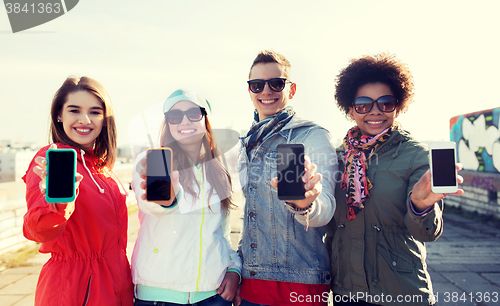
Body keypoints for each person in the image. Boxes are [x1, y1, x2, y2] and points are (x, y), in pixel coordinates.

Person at [326, 53, 464, 306]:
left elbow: (426, 233)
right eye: (364, 104)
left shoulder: (416, 156)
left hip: (402, 293)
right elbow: (331, 229)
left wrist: (420, 206)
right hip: (346, 292)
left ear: (398, 106)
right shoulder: (336, 158)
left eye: (386, 103)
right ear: (350, 109)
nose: (375, 111)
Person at [235, 50, 338, 306]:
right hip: (253, 282)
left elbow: (325, 208)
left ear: (290, 90)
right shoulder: (247, 144)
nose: (266, 91)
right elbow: (251, 216)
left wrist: (305, 204)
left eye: (276, 83)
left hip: (301, 284)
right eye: (257, 85)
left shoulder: (312, 136)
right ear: (249, 91)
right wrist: (238, 269)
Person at [22, 76, 134, 305]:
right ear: (59, 116)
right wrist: (59, 202)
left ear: (105, 119)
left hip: (117, 285)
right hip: (75, 290)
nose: (85, 120)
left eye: (95, 112)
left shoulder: (102, 168)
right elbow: (38, 230)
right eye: (75, 110)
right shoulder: (49, 160)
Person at [131, 89, 241, 306]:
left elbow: (223, 234)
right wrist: (169, 199)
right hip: (158, 297)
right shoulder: (151, 162)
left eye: (193, 113)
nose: (184, 121)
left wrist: (234, 268)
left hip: (212, 296)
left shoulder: (219, 172)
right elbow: (151, 205)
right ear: (168, 123)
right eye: (174, 116)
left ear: (205, 119)